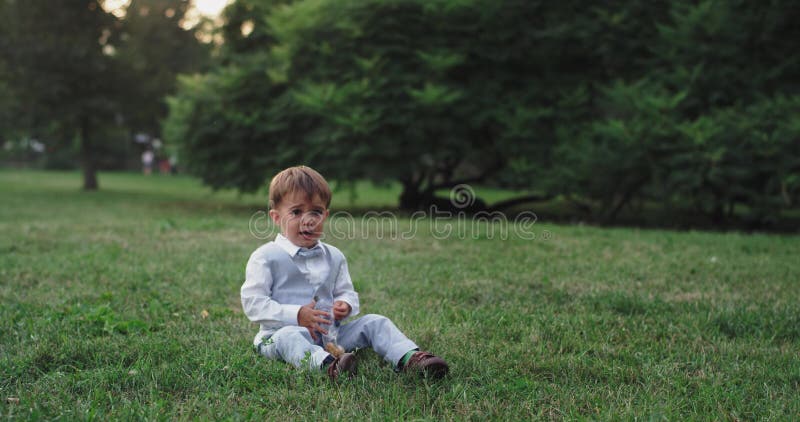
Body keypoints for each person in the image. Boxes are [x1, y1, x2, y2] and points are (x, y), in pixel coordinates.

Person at [241, 166, 449, 380]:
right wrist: (296, 314)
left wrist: (345, 305)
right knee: (290, 336)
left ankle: (410, 359)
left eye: (316, 212)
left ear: (326, 215)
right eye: (296, 212)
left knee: (375, 322)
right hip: (279, 335)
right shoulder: (266, 257)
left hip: (331, 336)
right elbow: (253, 303)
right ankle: (329, 366)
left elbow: (346, 292)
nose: (308, 220)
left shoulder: (335, 256)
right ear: (276, 217)